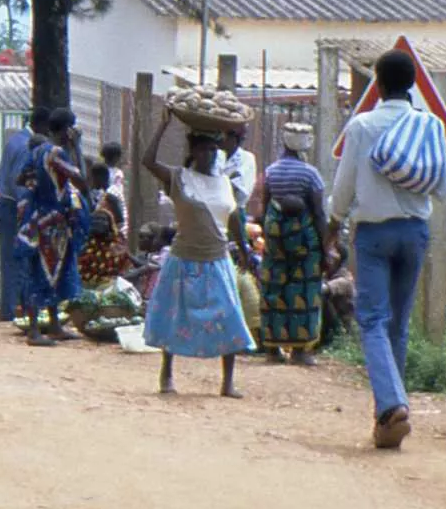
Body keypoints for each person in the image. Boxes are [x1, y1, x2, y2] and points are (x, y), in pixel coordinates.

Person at [331, 49, 446, 451]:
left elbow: (343, 188)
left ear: (379, 85)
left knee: (371, 320)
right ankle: (389, 420)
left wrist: (333, 223)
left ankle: (391, 406)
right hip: (415, 232)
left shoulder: (362, 125)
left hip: (373, 235)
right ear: (413, 85)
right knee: (397, 326)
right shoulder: (430, 125)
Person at [138, 112, 257, 397]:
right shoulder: (179, 178)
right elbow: (148, 161)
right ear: (193, 151)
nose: (209, 155)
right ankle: (167, 374)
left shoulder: (225, 183)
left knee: (229, 316)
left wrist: (245, 251)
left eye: (213, 149)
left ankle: (227, 382)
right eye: (203, 149)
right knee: (173, 316)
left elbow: (234, 220)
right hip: (184, 259)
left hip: (217, 260)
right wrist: (163, 125)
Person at [252, 122, 332, 366]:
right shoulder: (310, 174)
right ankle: (300, 351)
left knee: (274, 291)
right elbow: (319, 214)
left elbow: (264, 208)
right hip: (304, 245)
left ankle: (272, 349)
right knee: (304, 292)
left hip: (276, 242)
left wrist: (269, 236)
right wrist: (326, 249)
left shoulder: (271, 172)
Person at [16, 109, 89, 347]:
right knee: (44, 273)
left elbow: (21, 179)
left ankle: (54, 325)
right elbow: (81, 181)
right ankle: (34, 331)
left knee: (49, 272)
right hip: (52, 222)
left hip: (37, 219)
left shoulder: (37, 151)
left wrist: (39, 188)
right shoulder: (57, 153)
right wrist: (76, 148)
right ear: (67, 129)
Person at [0, 108, 50, 321]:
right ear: (42, 125)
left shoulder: (16, 139)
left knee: (11, 261)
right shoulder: (27, 146)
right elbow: (20, 184)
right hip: (13, 207)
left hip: (6, 203)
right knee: (17, 261)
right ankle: (13, 311)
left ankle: (12, 310)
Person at [76, 164, 133, 288]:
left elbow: (120, 220)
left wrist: (110, 231)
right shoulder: (101, 195)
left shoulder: (111, 196)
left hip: (109, 238)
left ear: (100, 177)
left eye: (91, 178)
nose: (90, 182)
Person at [220, 126, 259, 212]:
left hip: (235, 211)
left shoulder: (247, 159)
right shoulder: (216, 156)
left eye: (225, 136)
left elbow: (240, 192)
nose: (221, 139)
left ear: (234, 139)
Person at [100, 142, 130, 242]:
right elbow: (117, 194)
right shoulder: (118, 173)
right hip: (112, 206)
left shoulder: (100, 169)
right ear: (116, 157)